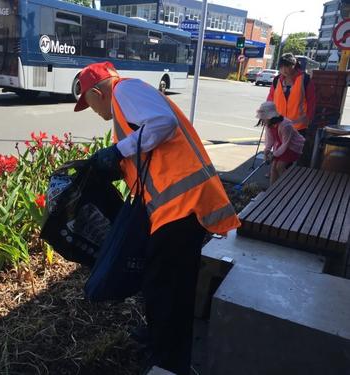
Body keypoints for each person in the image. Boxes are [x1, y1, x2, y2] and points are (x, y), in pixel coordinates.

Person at [73, 61, 241, 375]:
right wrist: (117, 163)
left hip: (181, 206)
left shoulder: (126, 91)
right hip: (176, 207)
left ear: (97, 92)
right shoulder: (126, 104)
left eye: (89, 103)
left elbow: (162, 123)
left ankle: (169, 361)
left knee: (167, 287)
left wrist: (119, 151)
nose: (92, 111)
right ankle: (160, 340)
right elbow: (152, 152)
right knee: (162, 282)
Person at [267, 53, 316, 137]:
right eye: (282, 67)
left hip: (298, 127)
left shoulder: (305, 80)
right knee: (278, 149)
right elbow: (270, 99)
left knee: (295, 150)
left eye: (288, 66)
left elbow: (311, 102)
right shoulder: (277, 80)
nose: (284, 69)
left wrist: (308, 119)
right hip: (279, 125)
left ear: (294, 65)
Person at [257, 101, 305, 185]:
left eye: (264, 118)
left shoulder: (285, 125)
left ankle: (286, 188)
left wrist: (274, 154)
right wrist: (266, 152)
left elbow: (286, 143)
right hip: (281, 146)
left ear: (271, 117)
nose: (262, 120)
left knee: (280, 166)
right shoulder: (269, 125)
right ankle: (272, 190)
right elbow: (270, 140)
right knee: (273, 167)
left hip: (292, 146)